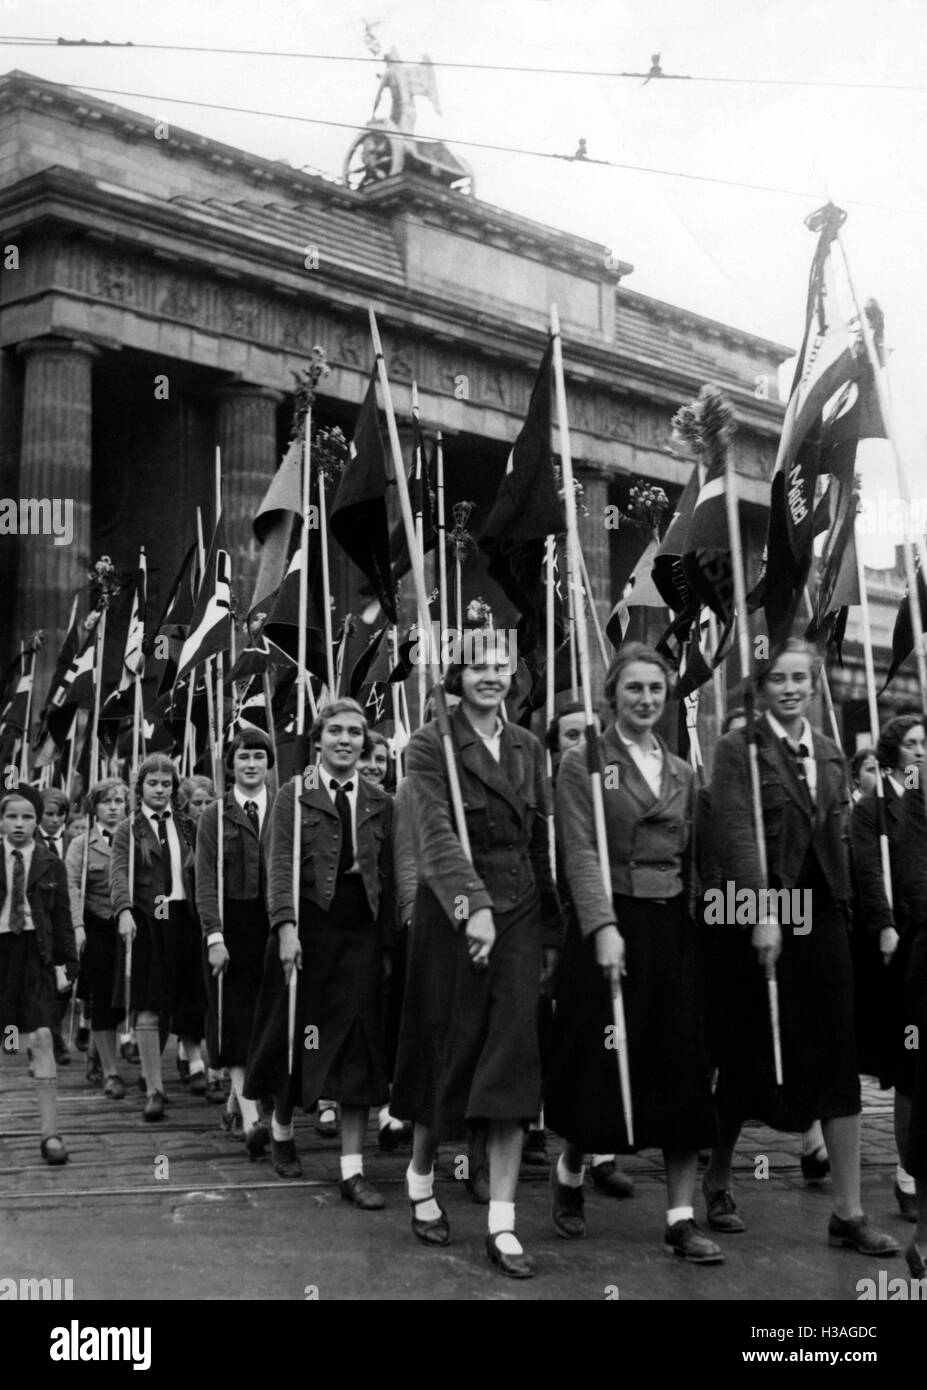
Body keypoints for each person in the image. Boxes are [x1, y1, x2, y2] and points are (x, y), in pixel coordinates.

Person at [703, 639, 898, 1256]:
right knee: (746, 1054)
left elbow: (845, 842)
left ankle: (849, 1211)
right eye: (778, 679)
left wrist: (870, 919)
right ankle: (717, 1177)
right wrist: (759, 909)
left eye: (800, 679)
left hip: (826, 923)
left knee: (838, 1059)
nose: (790, 688)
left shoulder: (834, 754)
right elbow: (734, 829)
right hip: (768, 914)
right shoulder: (739, 750)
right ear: (760, 688)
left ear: (814, 686)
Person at [391, 627, 562, 1278]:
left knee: (513, 1053)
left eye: (502, 664)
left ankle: (502, 1222)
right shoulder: (428, 745)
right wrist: (472, 906)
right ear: (456, 676)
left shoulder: (525, 746)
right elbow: (433, 838)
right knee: (449, 1049)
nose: (492, 675)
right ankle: (420, 1177)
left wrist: (549, 929)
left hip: (517, 908)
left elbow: (539, 841)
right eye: (478, 665)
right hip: (452, 907)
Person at [547, 643, 720, 1263]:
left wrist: (699, 923)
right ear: (612, 697)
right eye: (634, 690)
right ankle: (570, 1174)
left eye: (655, 690)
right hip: (610, 926)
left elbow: (693, 856)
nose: (646, 700)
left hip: (669, 928)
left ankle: (679, 1217)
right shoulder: (585, 763)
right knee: (598, 1065)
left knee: (679, 1065)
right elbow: (581, 851)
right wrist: (601, 925)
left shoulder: (680, 768)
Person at [244, 699, 395, 1207]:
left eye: (355, 732)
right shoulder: (293, 795)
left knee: (358, 1042)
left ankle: (352, 1169)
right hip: (310, 927)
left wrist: (392, 941)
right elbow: (279, 865)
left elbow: (391, 877)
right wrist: (285, 927)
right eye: (336, 731)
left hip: (362, 932)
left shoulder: (380, 800)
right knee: (297, 1035)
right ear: (318, 739)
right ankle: (283, 1130)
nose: (346, 740)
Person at [536, 701, 634, 1198]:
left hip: (595, 924)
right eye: (569, 735)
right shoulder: (541, 796)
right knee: (552, 1039)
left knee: (605, 1038)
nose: (580, 744)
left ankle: (602, 1154)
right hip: (547, 929)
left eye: (586, 734)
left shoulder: (606, 787)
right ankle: (538, 1129)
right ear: (554, 749)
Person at [851, 715, 926, 1221]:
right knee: (909, 1065)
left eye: (926, 743)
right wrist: (883, 923)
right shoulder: (874, 805)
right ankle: (907, 1170)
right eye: (912, 743)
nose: (920, 751)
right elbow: (868, 868)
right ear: (893, 749)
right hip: (899, 946)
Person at [110, 753, 205, 1119]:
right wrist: (123, 911)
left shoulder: (187, 825)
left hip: (184, 916)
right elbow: (119, 873)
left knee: (181, 999)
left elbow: (204, 869)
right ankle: (154, 1087)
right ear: (140, 787)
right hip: (150, 917)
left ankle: (192, 1066)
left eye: (167, 784)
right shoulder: (128, 829)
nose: (160, 790)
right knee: (149, 1001)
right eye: (153, 784)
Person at [196, 729, 275, 1159]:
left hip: (272, 921)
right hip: (230, 925)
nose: (251, 764)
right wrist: (213, 936)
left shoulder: (283, 809)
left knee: (269, 1017)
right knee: (236, 1018)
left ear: (268, 764)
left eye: (259, 757)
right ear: (231, 764)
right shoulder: (215, 815)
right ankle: (251, 1120)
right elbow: (204, 879)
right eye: (243, 756)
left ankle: (237, 1098)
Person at [0, 787, 78, 1164]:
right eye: (12, 816)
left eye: (27, 817)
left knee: (44, 1036)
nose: (19, 824)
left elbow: (61, 916)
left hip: (36, 955)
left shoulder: (51, 863)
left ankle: (50, 1135)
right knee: (7, 1041)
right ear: (1, 820)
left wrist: (68, 961)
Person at [64, 778, 129, 1100]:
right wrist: (77, 927)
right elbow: (72, 886)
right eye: (107, 802)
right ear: (95, 808)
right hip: (97, 924)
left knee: (131, 997)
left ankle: (105, 1055)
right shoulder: (81, 845)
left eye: (119, 801)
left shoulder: (135, 838)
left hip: (131, 924)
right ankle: (111, 1071)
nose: (114, 808)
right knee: (102, 997)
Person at [38, 788, 73, 1066]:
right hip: (38, 920)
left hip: (65, 919)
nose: (55, 819)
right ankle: (49, 1037)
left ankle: (55, 1029)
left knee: (65, 980)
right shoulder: (30, 840)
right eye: (49, 814)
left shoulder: (73, 842)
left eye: (60, 814)